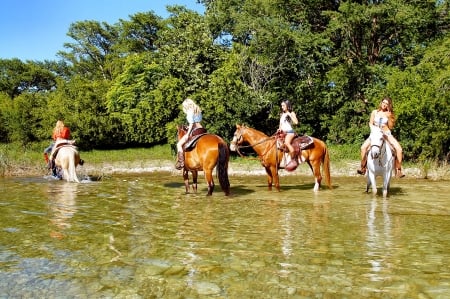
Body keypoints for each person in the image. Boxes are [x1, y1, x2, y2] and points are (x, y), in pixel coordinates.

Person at [357, 96, 405, 178]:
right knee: (363, 148)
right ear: (381, 103)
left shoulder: (389, 114)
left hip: (386, 134)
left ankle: (398, 170)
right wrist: (374, 130)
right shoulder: (374, 112)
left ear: (388, 105)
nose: (385, 105)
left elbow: (391, 126)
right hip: (375, 133)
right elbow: (370, 123)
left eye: (387, 104)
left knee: (399, 149)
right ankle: (363, 167)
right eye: (384, 103)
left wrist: (389, 117)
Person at [175, 98, 203, 170]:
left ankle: (181, 163)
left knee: (179, 144)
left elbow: (192, 124)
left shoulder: (190, 111)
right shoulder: (198, 109)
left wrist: (187, 134)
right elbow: (197, 122)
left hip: (194, 130)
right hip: (201, 129)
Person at [278, 100, 299, 170]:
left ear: (287, 106)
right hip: (282, 133)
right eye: (281, 106)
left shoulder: (291, 113)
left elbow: (296, 122)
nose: (282, 107)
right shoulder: (282, 114)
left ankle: (293, 159)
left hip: (290, 132)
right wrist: (279, 129)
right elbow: (280, 125)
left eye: (283, 105)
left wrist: (289, 114)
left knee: (287, 143)